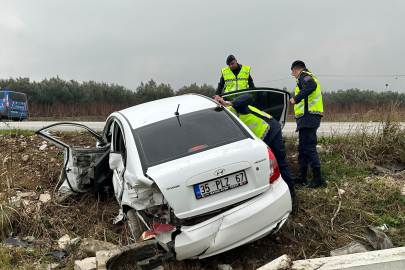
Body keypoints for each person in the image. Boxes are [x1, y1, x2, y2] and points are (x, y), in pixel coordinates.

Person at [214, 93, 296, 202]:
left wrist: (228, 103)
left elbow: (248, 97)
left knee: (280, 163)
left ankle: (292, 197)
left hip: (270, 129)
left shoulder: (233, 106)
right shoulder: (222, 125)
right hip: (259, 141)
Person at [289, 60, 326, 188]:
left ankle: (318, 179)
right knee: (303, 148)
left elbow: (311, 86)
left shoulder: (304, 76)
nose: (293, 75)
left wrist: (295, 98)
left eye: (293, 73)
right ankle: (302, 176)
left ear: (294, 70)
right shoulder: (307, 76)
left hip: (309, 116)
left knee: (309, 147)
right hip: (305, 117)